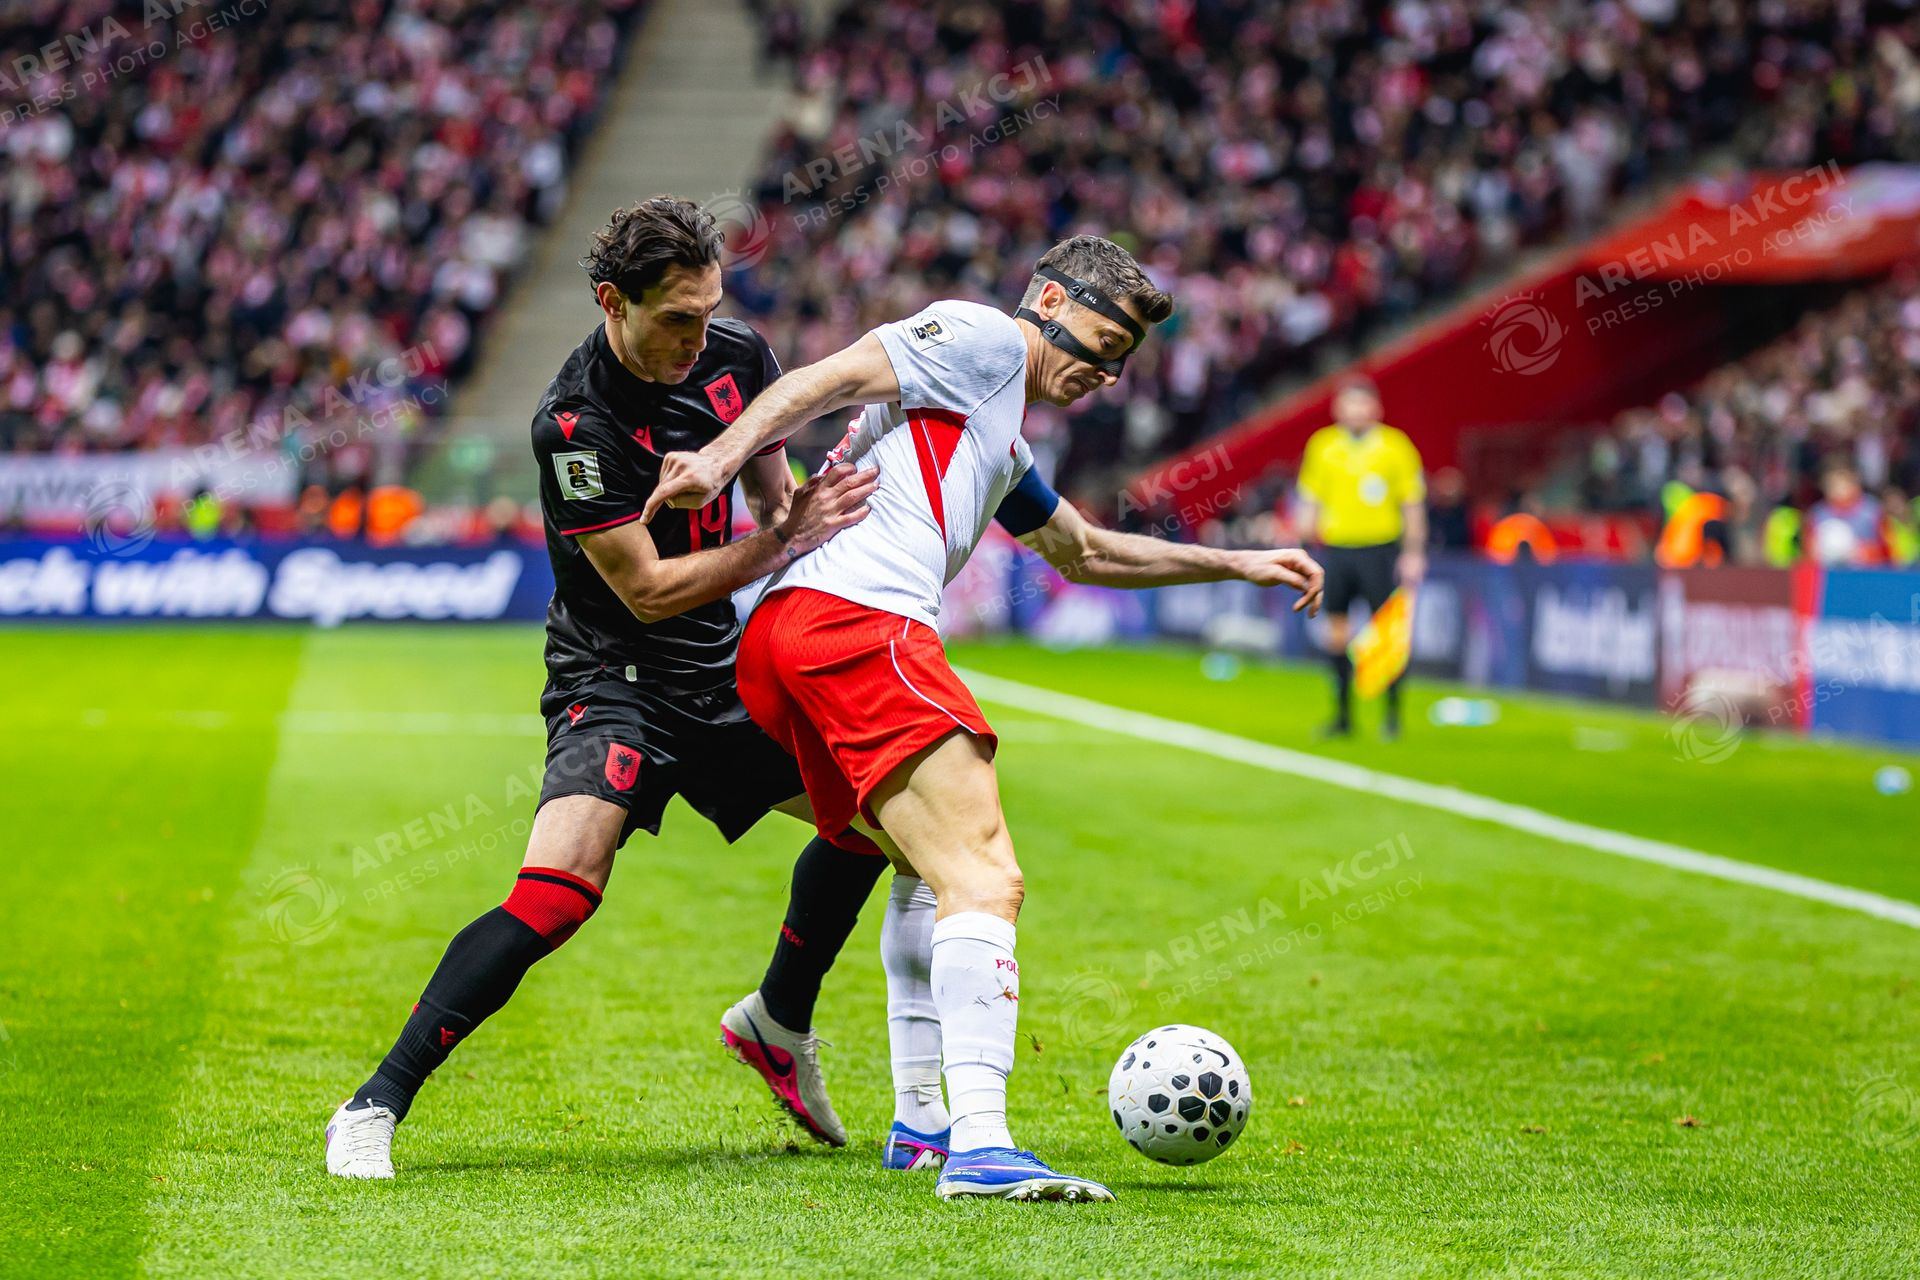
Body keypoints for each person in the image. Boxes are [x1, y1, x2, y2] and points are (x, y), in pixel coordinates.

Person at [643, 235, 1323, 1201]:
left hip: (793, 633)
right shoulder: (983, 339)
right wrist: (719, 461)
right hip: (855, 620)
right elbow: (822, 379)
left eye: (1123, 360)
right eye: (1101, 343)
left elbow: (1084, 552)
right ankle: (983, 1146)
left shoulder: (999, 435)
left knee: (920, 866)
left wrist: (1239, 563)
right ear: (1048, 300)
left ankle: (924, 1124)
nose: (1106, 372)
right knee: (984, 877)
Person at [323, 197, 886, 1178]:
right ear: (611, 302)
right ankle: (372, 1103)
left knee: (877, 823)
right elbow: (651, 591)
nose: (696, 339)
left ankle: (777, 1019)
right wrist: (785, 540)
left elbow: (775, 502)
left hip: (719, 672)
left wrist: (800, 524)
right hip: (614, 678)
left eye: (708, 313)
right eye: (676, 319)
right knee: (558, 894)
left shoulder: (738, 358)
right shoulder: (574, 424)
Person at [1294, 381, 1426, 739]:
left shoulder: (1395, 446)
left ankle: (1392, 716)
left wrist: (1413, 553)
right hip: (1337, 550)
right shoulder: (1323, 445)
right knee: (1335, 631)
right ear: (1338, 409)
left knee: (1386, 634)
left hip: (1381, 549)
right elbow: (1309, 498)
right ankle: (1343, 716)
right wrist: (1302, 545)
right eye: (1349, 405)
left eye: (1362, 404)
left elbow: (1412, 503)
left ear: (1375, 408)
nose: (1355, 411)